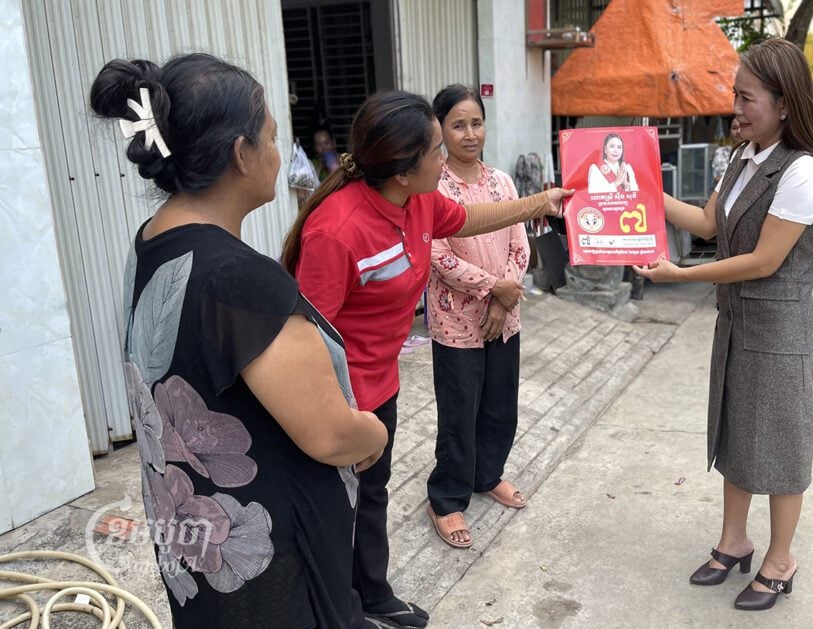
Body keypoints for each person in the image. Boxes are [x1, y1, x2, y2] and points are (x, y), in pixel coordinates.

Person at [90, 54, 388, 628]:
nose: (280, 152)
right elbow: (329, 435)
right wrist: (372, 431)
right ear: (240, 153)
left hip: (196, 542)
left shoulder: (154, 241)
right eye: (273, 136)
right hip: (268, 557)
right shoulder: (240, 279)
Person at [281, 90, 572, 628]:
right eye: (438, 149)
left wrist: (539, 203)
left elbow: (471, 218)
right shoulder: (336, 231)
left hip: (381, 384)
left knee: (372, 496)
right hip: (337, 397)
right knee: (337, 510)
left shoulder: (416, 202)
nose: (447, 159)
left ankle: (373, 595)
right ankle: (343, 613)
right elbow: (305, 340)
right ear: (400, 169)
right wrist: (336, 418)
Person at [633, 38, 813, 611]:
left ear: (784, 104)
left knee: (780, 446)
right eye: (736, 94)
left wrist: (678, 276)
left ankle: (780, 560)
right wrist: (640, 189)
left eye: (747, 98)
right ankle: (734, 541)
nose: (737, 108)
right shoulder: (742, 157)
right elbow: (706, 221)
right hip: (737, 324)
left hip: (780, 333)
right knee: (735, 434)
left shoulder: (803, 172)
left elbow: (763, 261)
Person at [424, 85, 529, 549]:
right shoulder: (432, 186)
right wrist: (493, 289)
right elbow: (436, 254)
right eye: (458, 125)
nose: (470, 134)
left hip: (503, 318)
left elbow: (520, 243)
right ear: (440, 130)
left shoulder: (502, 183)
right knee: (459, 413)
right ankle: (447, 499)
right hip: (456, 321)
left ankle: (488, 475)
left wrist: (504, 298)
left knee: (500, 405)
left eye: (477, 123)